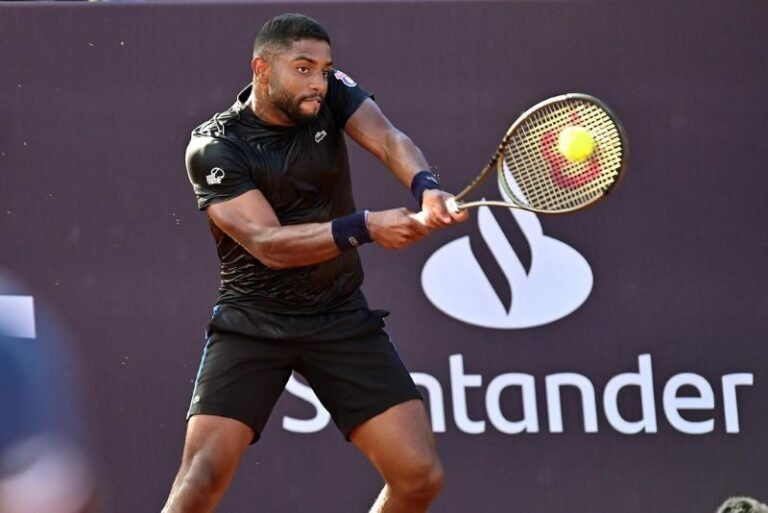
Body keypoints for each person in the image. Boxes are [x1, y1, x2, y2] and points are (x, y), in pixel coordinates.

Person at [161, 13, 467, 513]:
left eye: (325, 70)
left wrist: (426, 188)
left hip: (339, 314)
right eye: (303, 69)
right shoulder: (215, 146)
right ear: (261, 69)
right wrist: (364, 227)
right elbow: (268, 244)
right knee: (200, 481)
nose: (318, 83)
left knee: (418, 476)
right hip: (253, 321)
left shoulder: (331, 96)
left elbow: (388, 139)